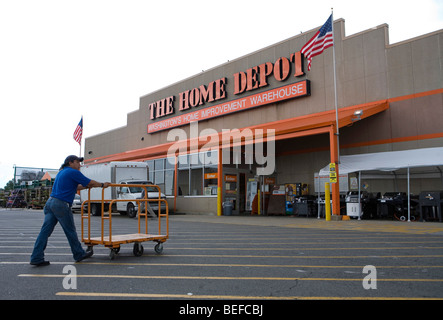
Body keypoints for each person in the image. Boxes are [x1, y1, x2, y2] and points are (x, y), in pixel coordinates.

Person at [30, 155, 110, 267]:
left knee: (45, 232)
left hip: (50, 203)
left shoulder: (62, 172)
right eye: (78, 162)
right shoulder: (73, 172)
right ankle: (78, 254)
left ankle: (36, 257)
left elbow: (76, 186)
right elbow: (90, 182)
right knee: (70, 231)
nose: (80, 165)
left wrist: (86, 187)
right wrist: (102, 185)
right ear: (71, 162)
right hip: (61, 204)